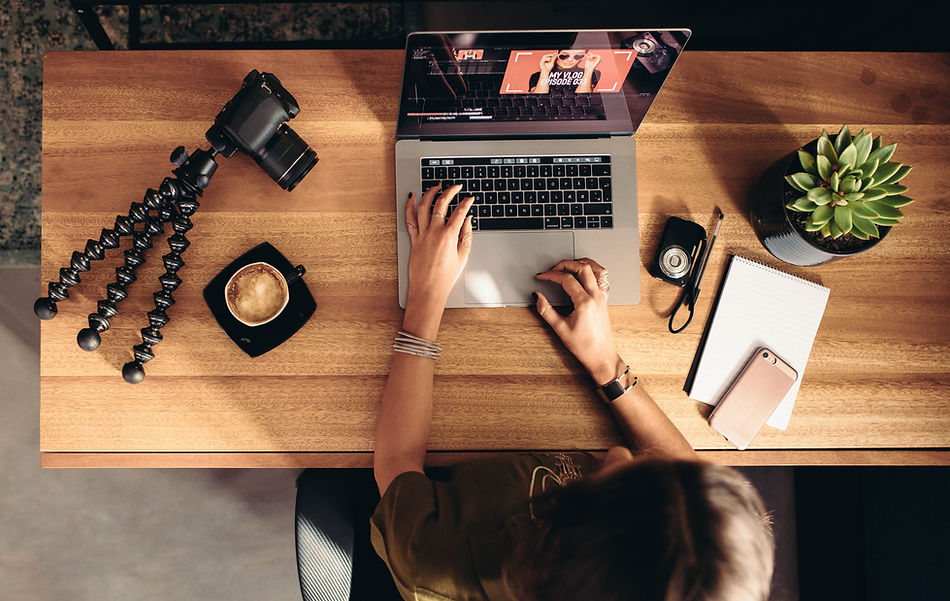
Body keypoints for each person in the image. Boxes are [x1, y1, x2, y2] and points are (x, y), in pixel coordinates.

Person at [372, 184, 775, 601]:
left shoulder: (434, 564)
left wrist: (425, 297)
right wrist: (608, 368)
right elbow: (682, 472)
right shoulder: (723, 567)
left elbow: (396, 460)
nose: (617, 454)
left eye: (605, 481)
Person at [529, 49, 601, 94]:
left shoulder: (591, 73)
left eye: (578, 56)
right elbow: (538, 100)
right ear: (557, 54)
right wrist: (545, 71)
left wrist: (589, 69)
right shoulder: (538, 76)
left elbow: (583, 99)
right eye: (564, 55)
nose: (570, 60)